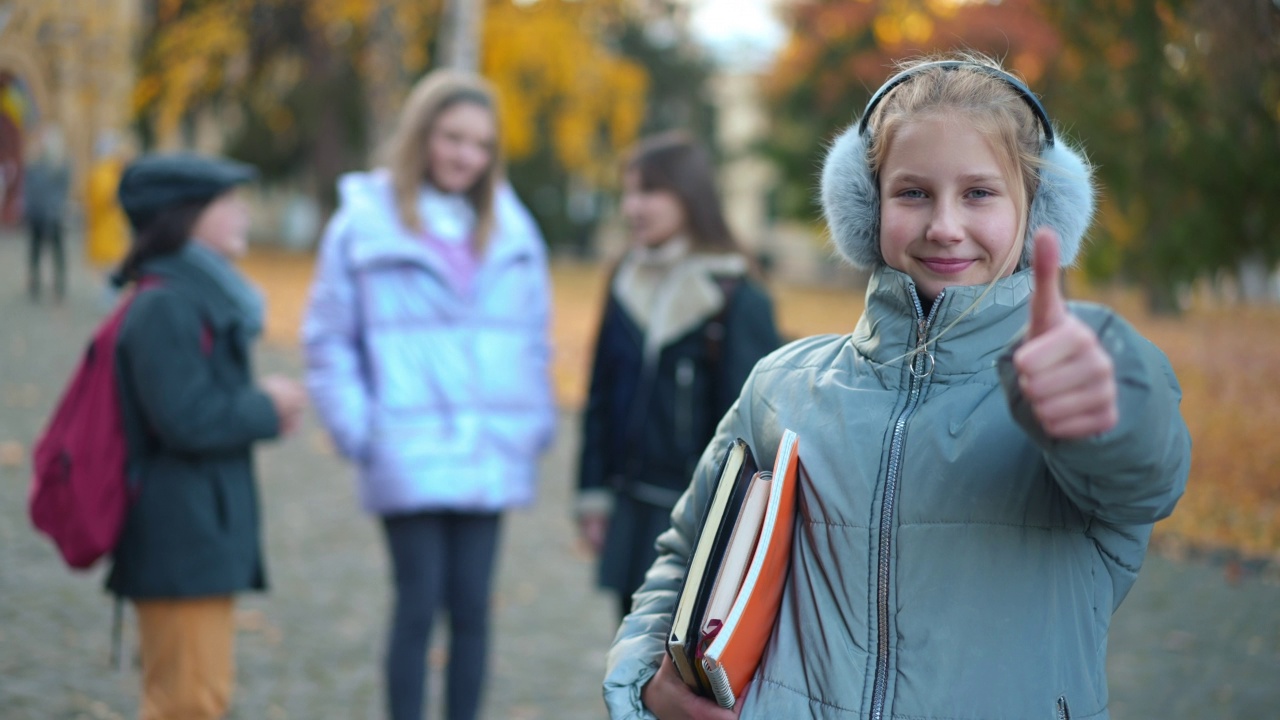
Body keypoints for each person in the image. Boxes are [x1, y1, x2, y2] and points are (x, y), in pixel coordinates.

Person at [603, 53, 1191, 720]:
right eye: (912, 193)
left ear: (1036, 211)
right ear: (866, 209)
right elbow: (685, 559)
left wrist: (1099, 400)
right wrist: (645, 684)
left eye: (979, 193)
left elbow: (1145, 470)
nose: (944, 225)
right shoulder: (781, 387)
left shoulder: (1066, 388)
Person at [301, 69, 556, 720]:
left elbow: (532, 336)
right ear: (422, 135)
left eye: (480, 144)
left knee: (473, 606)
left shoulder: (512, 227)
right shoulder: (363, 223)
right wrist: (362, 429)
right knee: (417, 603)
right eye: (452, 137)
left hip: (487, 447)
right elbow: (329, 339)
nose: (465, 156)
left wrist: (531, 421)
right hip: (406, 444)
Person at [109, 152, 308, 720]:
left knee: (196, 696)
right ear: (184, 215)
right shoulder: (167, 304)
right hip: (179, 535)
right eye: (227, 203)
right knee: (188, 703)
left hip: (197, 530)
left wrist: (260, 406)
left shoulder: (193, 294)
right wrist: (263, 408)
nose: (243, 213)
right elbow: (185, 418)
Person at [576, 132, 782, 622]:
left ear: (688, 196)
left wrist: (734, 528)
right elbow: (600, 396)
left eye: (649, 192)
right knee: (627, 656)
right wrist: (592, 495)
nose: (633, 207)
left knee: (678, 670)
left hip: (698, 519)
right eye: (628, 192)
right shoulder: (623, 279)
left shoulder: (734, 291)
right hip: (630, 504)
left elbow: (753, 427)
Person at [23, 126, 71, 302]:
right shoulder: (34, 163)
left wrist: (56, 209)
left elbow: (62, 191)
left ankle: (59, 284)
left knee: (57, 251)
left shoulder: (60, 165)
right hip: (37, 213)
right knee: (35, 250)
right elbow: (28, 189)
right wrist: (28, 209)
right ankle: (34, 281)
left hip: (54, 214)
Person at [85, 131, 132, 305]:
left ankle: (110, 295)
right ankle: (109, 296)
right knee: (110, 264)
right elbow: (107, 198)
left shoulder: (106, 172)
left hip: (108, 226)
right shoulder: (104, 172)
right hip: (106, 226)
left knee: (110, 263)